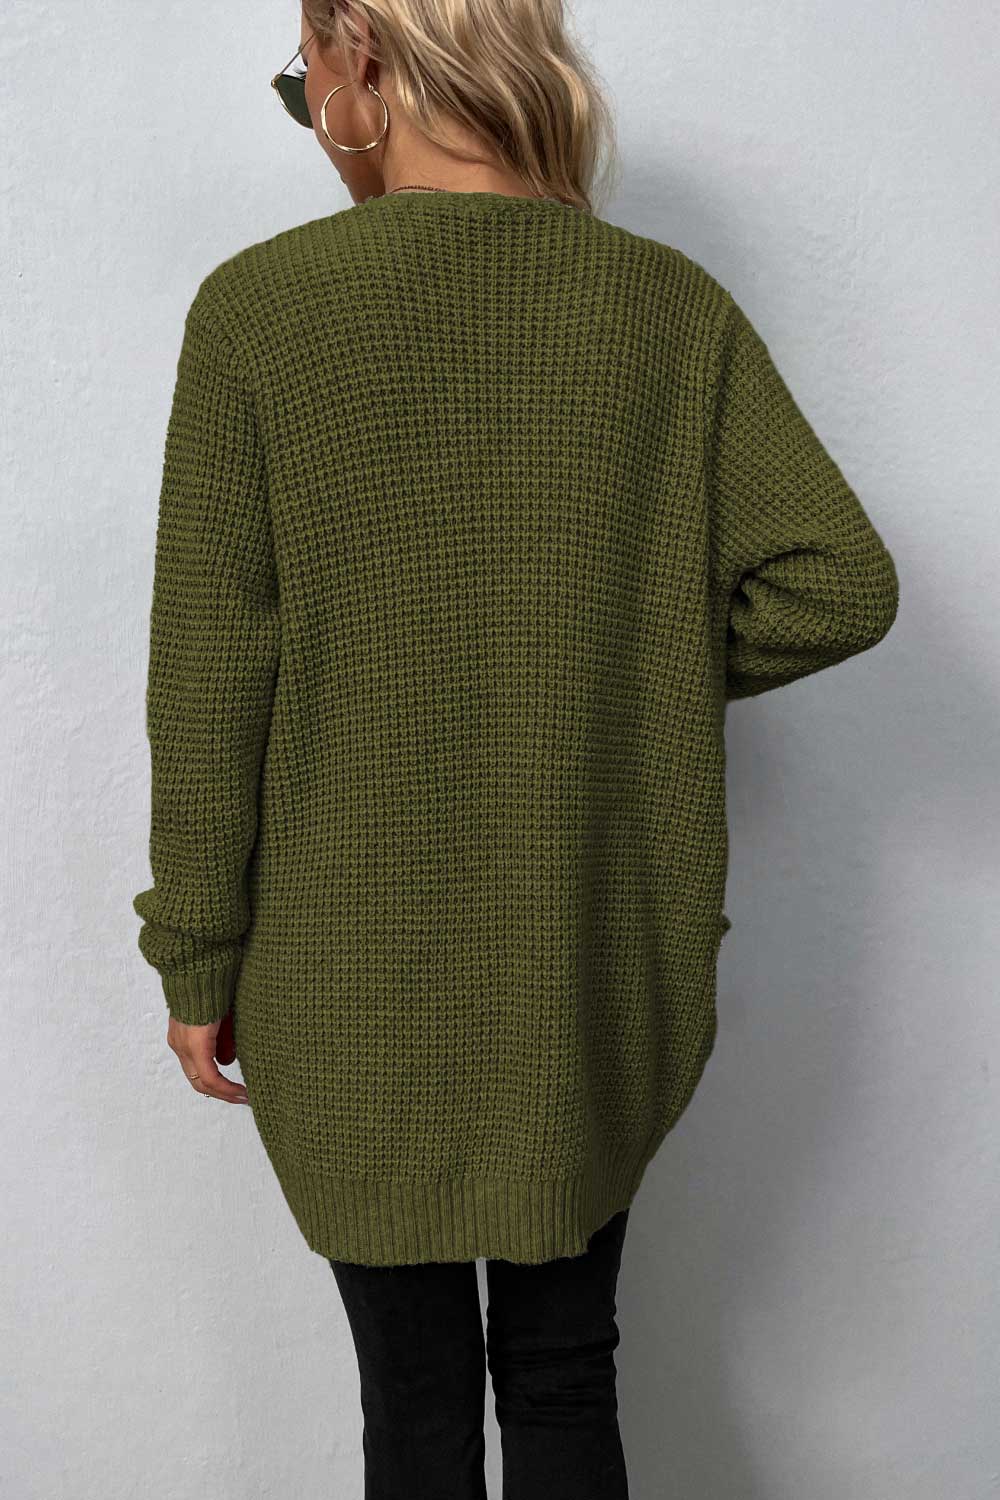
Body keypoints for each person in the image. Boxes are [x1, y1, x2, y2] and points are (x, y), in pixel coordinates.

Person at [131, 2, 901, 1496]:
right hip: (582, 957)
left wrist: (196, 958)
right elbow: (836, 584)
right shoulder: (665, 308)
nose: (312, 110)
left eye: (305, 76)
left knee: (411, 1395)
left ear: (362, 56)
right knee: (564, 1370)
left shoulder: (259, 312)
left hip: (345, 974)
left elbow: (213, 678)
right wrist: (622, 668)